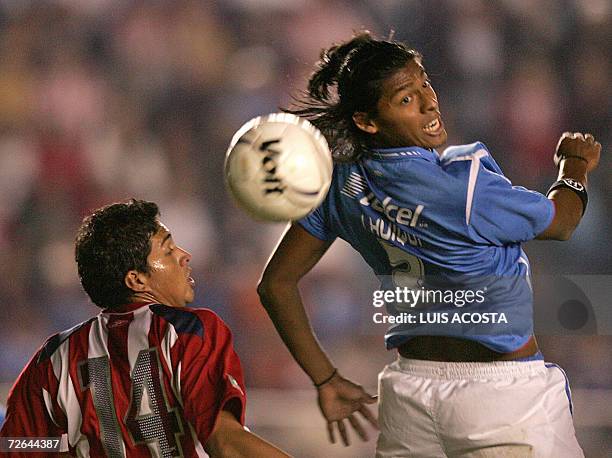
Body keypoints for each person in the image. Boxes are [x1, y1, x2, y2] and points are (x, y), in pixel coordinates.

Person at [257, 32, 601, 457]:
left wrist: (325, 378)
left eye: (425, 84)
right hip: (501, 398)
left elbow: (275, 285)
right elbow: (564, 220)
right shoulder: (464, 183)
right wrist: (575, 166)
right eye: (406, 99)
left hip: (409, 398)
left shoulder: (337, 185)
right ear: (366, 120)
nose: (428, 102)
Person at [0, 199, 289, 458]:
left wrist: (65, 447)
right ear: (136, 280)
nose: (184, 255)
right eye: (168, 250)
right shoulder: (187, 332)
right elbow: (224, 443)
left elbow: (17, 446)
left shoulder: (52, 359)